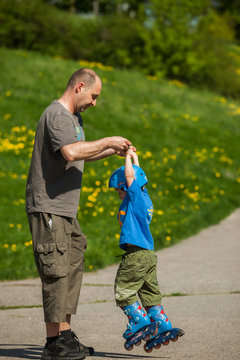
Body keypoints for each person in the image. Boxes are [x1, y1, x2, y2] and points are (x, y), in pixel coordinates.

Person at [26, 68, 133, 360]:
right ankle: (53, 345)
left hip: (65, 210)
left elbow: (80, 151)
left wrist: (111, 151)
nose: (94, 103)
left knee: (72, 269)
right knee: (56, 273)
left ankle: (66, 335)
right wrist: (108, 139)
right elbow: (71, 153)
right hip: (48, 206)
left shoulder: (74, 119)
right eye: (94, 96)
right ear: (79, 86)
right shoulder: (57, 115)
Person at [108, 147, 184, 352]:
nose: (118, 193)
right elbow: (138, 177)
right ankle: (161, 323)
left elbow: (132, 176)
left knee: (123, 290)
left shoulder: (134, 199)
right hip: (148, 256)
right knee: (149, 292)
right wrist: (135, 158)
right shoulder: (144, 198)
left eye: (118, 189)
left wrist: (126, 158)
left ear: (126, 185)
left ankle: (139, 321)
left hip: (136, 255)